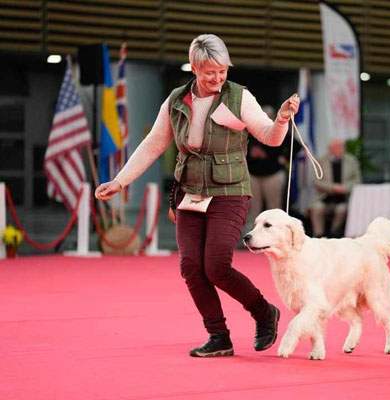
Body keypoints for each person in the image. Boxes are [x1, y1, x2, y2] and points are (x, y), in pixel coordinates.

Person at [94, 34, 300, 358]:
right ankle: (219, 336)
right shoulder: (175, 101)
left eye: (222, 70)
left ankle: (264, 312)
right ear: (194, 68)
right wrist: (120, 181)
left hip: (230, 192)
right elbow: (152, 145)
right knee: (192, 267)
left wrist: (282, 121)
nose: (217, 78)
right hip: (189, 193)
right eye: (209, 72)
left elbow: (270, 137)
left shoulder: (240, 97)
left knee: (216, 266)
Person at [308, 137, 361, 238]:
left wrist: (345, 187)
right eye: (337, 147)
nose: (341, 149)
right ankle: (319, 235)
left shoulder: (352, 161)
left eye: (342, 146)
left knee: (342, 209)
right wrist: (333, 187)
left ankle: (334, 233)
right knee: (317, 208)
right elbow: (316, 181)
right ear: (330, 149)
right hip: (325, 197)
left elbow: (357, 180)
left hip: (343, 198)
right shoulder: (321, 161)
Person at [245, 105, 286, 231]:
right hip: (253, 174)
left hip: (273, 173)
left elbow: (295, 146)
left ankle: (278, 234)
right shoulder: (249, 132)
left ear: (273, 118)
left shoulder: (279, 130)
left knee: (274, 207)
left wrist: (282, 157)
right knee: (252, 207)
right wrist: (250, 154)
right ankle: (249, 236)